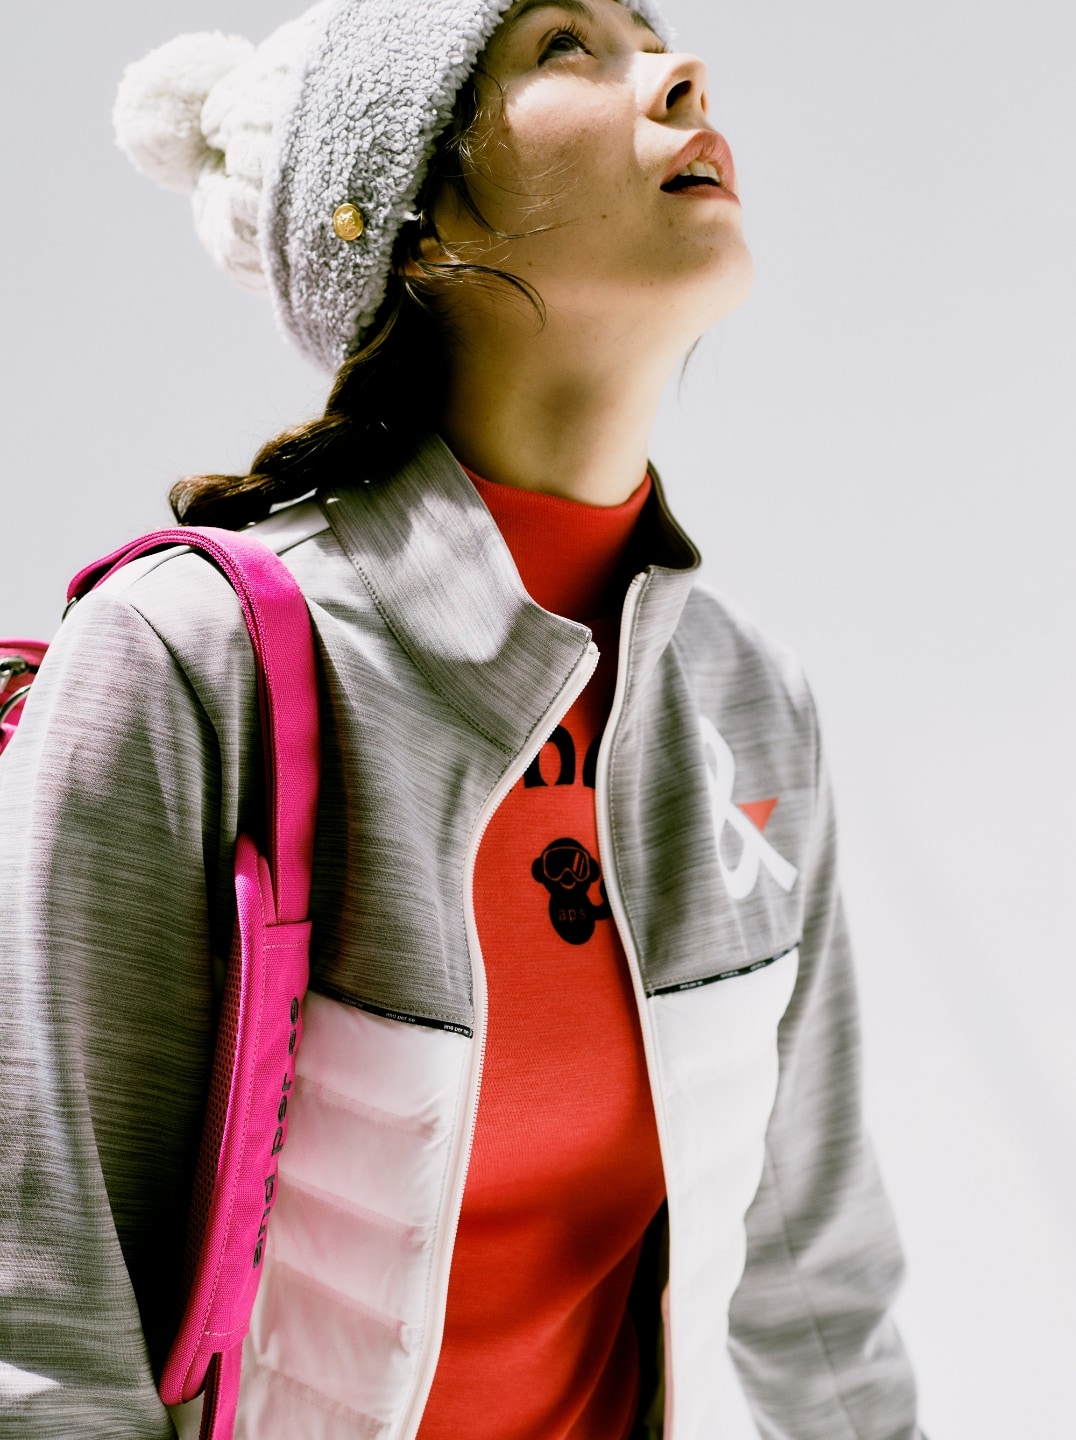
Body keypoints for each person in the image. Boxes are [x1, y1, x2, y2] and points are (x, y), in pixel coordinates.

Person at [0, 2, 924, 1437]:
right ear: (411, 216)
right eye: (565, 46)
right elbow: (41, 1324)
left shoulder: (746, 695)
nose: (677, 73)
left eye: (652, 34)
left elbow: (817, 1278)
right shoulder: (187, 659)